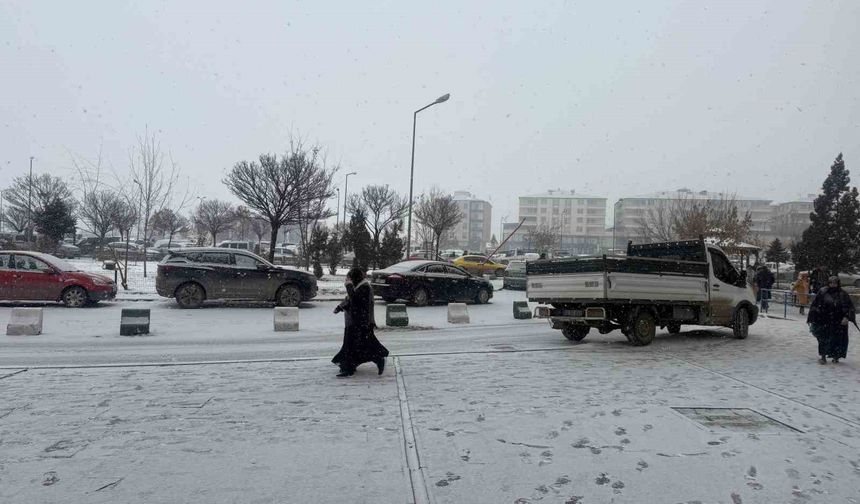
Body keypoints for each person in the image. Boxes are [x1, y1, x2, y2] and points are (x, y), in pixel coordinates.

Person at [332, 267, 389, 377]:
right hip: (355, 322)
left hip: (361, 322)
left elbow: (355, 301)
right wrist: (340, 307)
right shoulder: (359, 286)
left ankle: (377, 359)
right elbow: (349, 299)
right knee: (355, 346)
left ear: (355, 278)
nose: (349, 281)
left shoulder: (364, 287)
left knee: (358, 345)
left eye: (350, 279)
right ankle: (350, 367)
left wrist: (348, 286)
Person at [807, 276, 855, 364]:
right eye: (831, 283)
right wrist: (813, 317)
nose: (833, 285)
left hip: (838, 321)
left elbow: (849, 307)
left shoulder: (843, 294)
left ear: (838, 283)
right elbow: (815, 305)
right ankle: (823, 357)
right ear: (828, 283)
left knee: (838, 339)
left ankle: (836, 356)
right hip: (824, 320)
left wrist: (847, 317)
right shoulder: (823, 292)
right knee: (823, 339)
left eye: (835, 283)